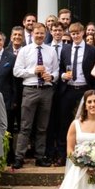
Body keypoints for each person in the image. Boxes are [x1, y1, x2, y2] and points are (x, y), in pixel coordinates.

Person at [13, 24, 57, 169]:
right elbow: (16, 71)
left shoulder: (51, 51)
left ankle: (40, 157)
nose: (39, 36)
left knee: (42, 127)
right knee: (25, 126)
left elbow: (56, 71)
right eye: (37, 33)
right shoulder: (25, 50)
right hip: (30, 90)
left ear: (45, 34)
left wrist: (51, 76)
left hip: (46, 90)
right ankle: (19, 157)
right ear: (32, 34)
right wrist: (33, 71)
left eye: (42, 33)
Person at [50, 24, 94, 164]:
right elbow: (61, 68)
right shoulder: (65, 49)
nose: (75, 36)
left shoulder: (92, 50)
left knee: (85, 121)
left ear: (83, 32)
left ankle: (86, 154)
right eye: (73, 33)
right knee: (64, 123)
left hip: (85, 90)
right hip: (68, 90)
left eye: (77, 33)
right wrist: (63, 75)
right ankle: (63, 155)